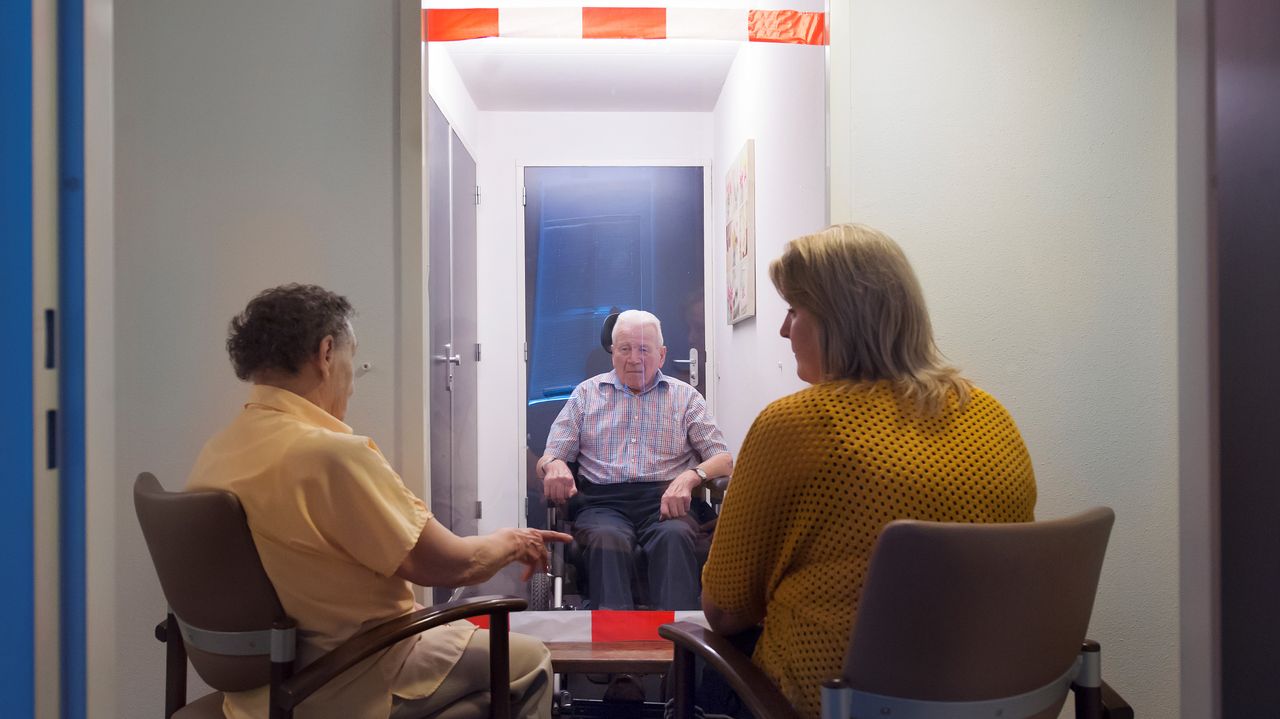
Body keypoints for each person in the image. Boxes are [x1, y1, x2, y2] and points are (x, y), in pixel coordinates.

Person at [186, 284, 572, 719]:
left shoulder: (218, 451)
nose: (352, 383)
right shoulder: (331, 455)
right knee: (531, 661)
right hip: (348, 675)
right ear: (326, 353)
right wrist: (512, 541)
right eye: (355, 360)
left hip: (257, 689)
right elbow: (446, 565)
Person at [699, 224, 1038, 718]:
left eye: (794, 310)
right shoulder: (992, 416)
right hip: (995, 703)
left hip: (837, 703)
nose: (783, 329)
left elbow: (724, 610)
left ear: (839, 319)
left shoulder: (797, 425)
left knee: (703, 664)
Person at [536, 309, 733, 610]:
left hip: (667, 502)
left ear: (662, 354)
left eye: (644, 349)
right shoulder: (586, 395)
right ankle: (613, 643)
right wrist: (555, 465)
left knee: (675, 536)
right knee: (607, 539)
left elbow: (723, 459)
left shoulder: (685, 397)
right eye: (625, 349)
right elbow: (549, 458)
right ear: (613, 352)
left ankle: (676, 644)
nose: (634, 358)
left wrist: (691, 477)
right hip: (603, 504)